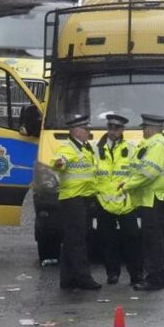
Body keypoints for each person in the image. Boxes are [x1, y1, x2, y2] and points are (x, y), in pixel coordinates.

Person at [120, 114, 164, 291]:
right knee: (152, 239)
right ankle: (154, 276)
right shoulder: (153, 144)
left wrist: (128, 185)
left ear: (151, 129)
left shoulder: (157, 145)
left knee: (152, 241)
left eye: (144, 128)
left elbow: (148, 173)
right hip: (151, 198)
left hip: (153, 198)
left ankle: (155, 279)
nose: (143, 130)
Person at [51, 114, 101, 290]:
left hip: (82, 198)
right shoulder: (68, 148)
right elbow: (59, 161)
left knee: (71, 240)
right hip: (73, 199)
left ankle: (67, 279)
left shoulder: (85, 148)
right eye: (85, 129)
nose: (88, 132)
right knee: (78, 240)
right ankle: (83, 277)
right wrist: (59, 163)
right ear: (75, 131)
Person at [94, 113, 144, 286]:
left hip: (125, 203)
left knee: (132, 239)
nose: (113, 131)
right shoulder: (96, 149)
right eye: (110, 127)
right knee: (107, 240)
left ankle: (136, 275)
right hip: (104, 202)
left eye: (117, 128)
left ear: (122, 130)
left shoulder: (130, 149)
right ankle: (112, 273)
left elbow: (137, 172)